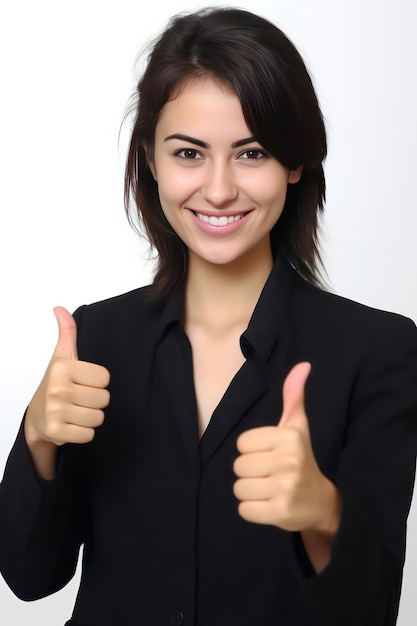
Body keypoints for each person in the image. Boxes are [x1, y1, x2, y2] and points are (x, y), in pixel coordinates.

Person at [0, 7, 416, 626]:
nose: (219, 190)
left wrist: (323, 514)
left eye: (251, 153)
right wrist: (37, 439)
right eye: (189, 152)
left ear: (296, 162)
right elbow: (30, 578)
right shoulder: (96, 340)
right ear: (151, 157)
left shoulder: (379, 351)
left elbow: (372, 608)